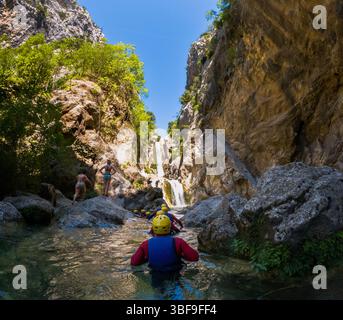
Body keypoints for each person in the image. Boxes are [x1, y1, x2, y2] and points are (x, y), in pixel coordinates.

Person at [131, 215, 199, 273]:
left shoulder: (145, 244)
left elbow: (134, 262)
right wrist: (181, 255)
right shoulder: (179, 242)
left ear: (153, 228)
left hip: (155, 273)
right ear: (170, 227)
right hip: (175, 271)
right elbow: (195, 257)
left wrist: (147, 258)